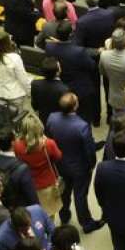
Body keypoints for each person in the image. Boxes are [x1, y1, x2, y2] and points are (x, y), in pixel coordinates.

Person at [46, 93, 103, 233]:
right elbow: (89, 150)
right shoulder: (82, 126)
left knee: (64, 192)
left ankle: (64, 216)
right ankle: (86, 223)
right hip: (79, 168)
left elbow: (49, 139)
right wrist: (91, 164)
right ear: (75, 105)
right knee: (80, 195)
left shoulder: (52, 118)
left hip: (60, 165)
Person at [13, 113, 64, 218]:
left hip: (28, 185)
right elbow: (58, 157)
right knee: (49, 215)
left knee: (34, 215)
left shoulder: (17, 145)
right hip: (47, 184)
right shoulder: (49, 144)